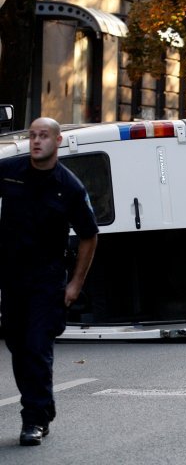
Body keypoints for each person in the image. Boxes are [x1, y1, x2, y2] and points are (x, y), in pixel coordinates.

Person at [0, 117, 98, 446]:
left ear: (57, 141)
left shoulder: (69, 187)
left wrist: (74, 284)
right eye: (32, 135)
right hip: (12, 279)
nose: (36, 141)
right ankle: (43, 407)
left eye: (44, 136)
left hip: (47, 282)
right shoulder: (10, 171)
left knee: (36, 347)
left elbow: (89, 236)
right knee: (17, 345)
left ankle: (35, 419)